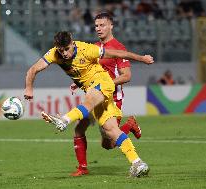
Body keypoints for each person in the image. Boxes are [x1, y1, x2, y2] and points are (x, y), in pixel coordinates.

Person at [24, 31, 154, 177]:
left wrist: (142, 58)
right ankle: (138, 163)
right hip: (93, 90)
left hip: (103, 82)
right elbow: (33, 69)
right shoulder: (54, 54)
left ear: (72, 43)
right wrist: (29, 88)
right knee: (110, 132)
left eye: (67, 49)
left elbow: (118, 53)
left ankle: (64, 120)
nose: (65, 53)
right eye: (61, 50)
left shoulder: (87, 49)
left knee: (88, 101)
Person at [69, 12, 144, 177]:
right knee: (79, 128)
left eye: (102, 25)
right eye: (96, 26)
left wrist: (105, 85)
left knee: (108, 144)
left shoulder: (118, 48)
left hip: (112, 99)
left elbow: (126, 76)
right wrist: (79, 82)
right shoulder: (95, 48)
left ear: (111, 26)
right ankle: (82, 168)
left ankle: (129, 125)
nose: (98, 28)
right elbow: (90, 73)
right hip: (94, 97)